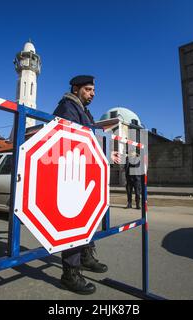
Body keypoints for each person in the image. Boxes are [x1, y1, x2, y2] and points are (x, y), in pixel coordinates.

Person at [53, 75, 116, 295]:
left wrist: (107, 152)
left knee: (88, 219)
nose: (93, 93)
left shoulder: (83, 110)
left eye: (93, 90)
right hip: (72, 174)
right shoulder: (67, 107)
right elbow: (71, 139)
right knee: (74, 224)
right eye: (89, 89)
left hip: (85, 172)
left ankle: (86, 256)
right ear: (76, 88)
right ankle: (69, 272)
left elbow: (93, 137)